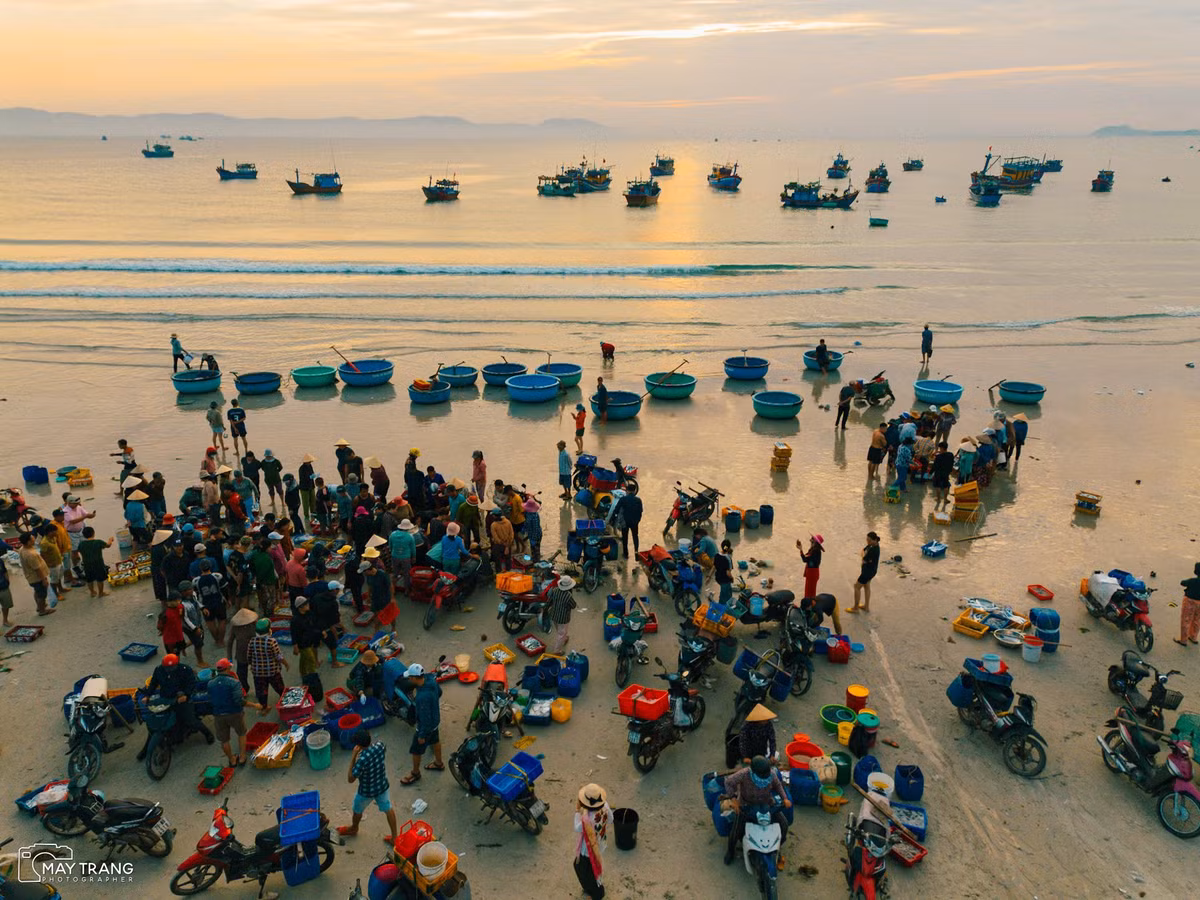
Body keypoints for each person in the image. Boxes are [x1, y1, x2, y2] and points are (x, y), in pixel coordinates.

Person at [723, 756, 791, 866]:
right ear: (753, 771)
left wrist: (785, 798)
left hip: (767, 804)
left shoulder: (772, 774)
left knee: (784, 825)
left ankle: (777, 848)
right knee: (735, 830)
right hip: (746, 805)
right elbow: (728, 782)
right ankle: (730, 851)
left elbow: (778, 785)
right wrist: (734, 799)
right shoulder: (744, 774)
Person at [338, 730, 398, 845]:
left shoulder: (362, 760)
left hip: (366, 791)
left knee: (357, 810)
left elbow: (350, 778)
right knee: (388, 808)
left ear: (359, 746)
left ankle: (354, 828)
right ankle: (394, 837)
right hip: (382, 786)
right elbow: (379, 748)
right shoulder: (380, 746)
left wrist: (353, 757)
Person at [145, 652, 214, 745]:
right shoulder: (159, 670)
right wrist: (147, 695)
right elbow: (153, 683)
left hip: (183, 699)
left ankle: (207, 734)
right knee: (163, 719)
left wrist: (186, 695)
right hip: (167, 699)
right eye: (167, 668)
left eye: (171, 668)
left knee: (190, 720)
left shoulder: (185, 670)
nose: (169, 670)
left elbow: (191, 684)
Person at [208, 657, 258, 766]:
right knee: (241, 733)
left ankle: (232, 760)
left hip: (218, 715)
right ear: (228, 669)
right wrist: (255, 705)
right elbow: (239, 701)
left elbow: (210, 698)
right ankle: (242, 757)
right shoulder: (234, 682)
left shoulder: (210, 683)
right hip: (234, 713)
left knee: (224, 740)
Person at [400, 663, 444, 784]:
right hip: (435, 720)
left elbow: (425, 719)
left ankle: (415, 773)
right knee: (435, 740)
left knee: (416, 750)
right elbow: (439, 692)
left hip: (426, 726)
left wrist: (422, 735)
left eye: (410, 677)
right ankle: (438, 763)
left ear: (414, 678)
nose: (409, 679)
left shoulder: (422, 697)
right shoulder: (431, 680)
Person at [574, 784, 611, 899]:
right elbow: (611, 819)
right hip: (601, 843)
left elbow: (577, 828)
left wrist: (577, 812)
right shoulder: (605, 806)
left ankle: (596, 892)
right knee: (592, 868)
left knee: (585, 870)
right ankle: (595, 888)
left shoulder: (586, 818)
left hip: (588, 850)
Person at [247, 617, 289, 713]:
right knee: (279, 687)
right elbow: (278, 656)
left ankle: (264, 708)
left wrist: (252, 665)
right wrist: (286, 664)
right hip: (272, 671)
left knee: (262, 691)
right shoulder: (271, 641)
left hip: (258, 673)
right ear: (269, 630)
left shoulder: (252, 641)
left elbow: (249, 656)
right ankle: (285, 702)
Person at [18, 532, 53, 616]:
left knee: (37, 592)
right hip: (37, 578)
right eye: (32, 538)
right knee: (42, 594)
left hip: (31, 577)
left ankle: (39, 606)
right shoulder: (30, 555)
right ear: (28, 542)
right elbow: (37, 569)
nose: (34, 539)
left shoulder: (22, 549)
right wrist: (44, 579)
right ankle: (42, 610)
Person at [848, 532, 881, 614]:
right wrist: (864, 555)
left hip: (868, 572)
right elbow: (863, 551)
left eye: (869, 540)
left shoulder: (874, 550)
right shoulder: (871, 545)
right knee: (866, 586)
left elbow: (864, 557)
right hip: (871, 570)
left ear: (875, 540)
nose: (867, 541)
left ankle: (855, 608)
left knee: (856, 587)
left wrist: (864, 556)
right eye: (867, 539)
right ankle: (866, 607)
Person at [62, 495, 96, 574]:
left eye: (78, 503)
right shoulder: (65, 511)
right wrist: (85, 516)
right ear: (69, 503)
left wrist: (92, 515)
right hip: (71, 534)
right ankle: (76, 566)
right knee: (75, 551)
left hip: (81, 531)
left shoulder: (79, 507)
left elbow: (87, 514)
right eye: (75, 503)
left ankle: (84, 563)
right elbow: (73, 521)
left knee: (85, 547)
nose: (77, 505)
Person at [78, 527, 114, 598]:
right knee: (99, 579)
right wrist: (110, 540)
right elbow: (108, 545)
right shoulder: (98, 542)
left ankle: (92, 592)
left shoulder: (81, 544)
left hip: (87, 564)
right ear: (93, 533)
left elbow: (79, 551)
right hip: (98, 564)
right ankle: (100, 593)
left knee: (89, 579)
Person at [547, 575, 577, 655]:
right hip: (563, 618)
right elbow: (573, 605)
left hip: (554, 614)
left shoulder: (555, 590)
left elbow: (549, 600)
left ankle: (565, 638)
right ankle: (557, 650)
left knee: (559, 630)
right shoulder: (568, 596)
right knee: (561, 633)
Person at [39, 522, 71, 598]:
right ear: (50, 532)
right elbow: (42, 555)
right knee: (54, 580)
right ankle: (56, 594)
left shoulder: (53, 538)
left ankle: (61, 589)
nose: (56, 532)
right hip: (52, 565)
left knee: (59, 577)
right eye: (55, 531)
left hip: (59, 561)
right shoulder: (44, 543)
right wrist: (47, 564)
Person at [615, 490, 643, 559]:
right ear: (634, 491)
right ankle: (636, 552)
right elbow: (641, 511)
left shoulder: (623, 499)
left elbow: (616, 509)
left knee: (625, 537)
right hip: (635, 521)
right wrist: (638, 520)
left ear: (627, 491)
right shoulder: (638, 500)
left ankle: (625, 554)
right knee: (635, 536)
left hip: (625, 521)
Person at [1178, 563, 1200, 647]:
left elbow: (1182, 583)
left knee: (1186, 619)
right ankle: (1193, 637)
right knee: (1197, 620)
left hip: (1189, 601)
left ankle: (1183, 640)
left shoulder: (1192, 581)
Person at [931, 442, 956, 506]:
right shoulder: (951, 455)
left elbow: (934, 466)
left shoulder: (938, 457)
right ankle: (945, 499)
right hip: (946, 473)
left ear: (942, 448)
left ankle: (938, 499)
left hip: (938, 473)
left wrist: (930, 472)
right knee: (945, 486)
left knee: (938, 486)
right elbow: (952, 463)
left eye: (940, 448)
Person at [714, 539, 735, 604]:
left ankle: (722, 601)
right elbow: (728, 573)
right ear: (728, 548)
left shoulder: (717, 555)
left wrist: (709, 576)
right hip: (725, 580)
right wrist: (732, 578)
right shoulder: (728, 558)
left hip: (718, 577)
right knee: (727, 595)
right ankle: (723, 608)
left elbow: (714, 566)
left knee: (723, 591)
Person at [0, 559, 12, 626]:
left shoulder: (0, 561)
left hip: (3, 586)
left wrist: (7, 581)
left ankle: (5, 620)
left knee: (6, 604)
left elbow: (4, 571)